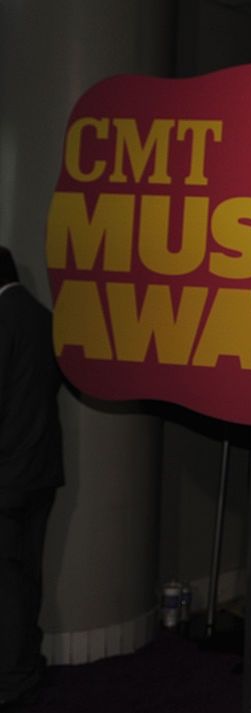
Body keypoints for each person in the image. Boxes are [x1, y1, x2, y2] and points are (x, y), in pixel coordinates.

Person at [0, 247, 64, 710]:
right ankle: (23, 664)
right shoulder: (44, 318)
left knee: (6, 582)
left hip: (6, 476)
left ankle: (13, 678)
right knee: (27, 577)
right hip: (41, 471)